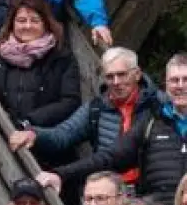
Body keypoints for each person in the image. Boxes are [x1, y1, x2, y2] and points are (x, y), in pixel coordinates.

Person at [37, 53, 187, 205]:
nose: (180, 85)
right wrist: (61, 174)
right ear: (166, 85)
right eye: (174, 80)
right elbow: (109, 157)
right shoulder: (151, 124)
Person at [11, 48, 156, 180]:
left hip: (149, 189)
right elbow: (63, 134)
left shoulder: (158, 106)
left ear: (137, 74)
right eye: (110, 77)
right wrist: (35, 134)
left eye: (122, 75)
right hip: (108, 188)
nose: (116, 82)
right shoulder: (96, 108)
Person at [0, 0, 82, 146]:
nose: (27, 26)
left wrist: (30, 121)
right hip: (2, 140)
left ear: (46, 24)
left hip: (46, 142)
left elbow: (71, 101)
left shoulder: (61, 57)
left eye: (35, 20)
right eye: (21, 21)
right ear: (12, 24)